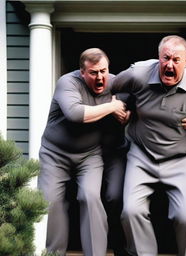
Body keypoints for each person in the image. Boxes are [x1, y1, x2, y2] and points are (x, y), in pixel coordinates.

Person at [111, 35, 186, 256]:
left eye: (176, 60)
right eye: (166, 58)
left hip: (181, 159)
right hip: (141, 154)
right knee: (131, 212)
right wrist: (120, 105)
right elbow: (111, 86)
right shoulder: (138, 73)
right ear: (158, 58)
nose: (169, 64)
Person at [38, 48, 128, 256]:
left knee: (90, 197)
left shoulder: (116, 82)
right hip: (55, 154)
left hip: (90, 155)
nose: (100, 77)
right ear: (82, 73)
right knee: (51, 202)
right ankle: (54, 253)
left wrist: (127, 112)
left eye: (103, 71)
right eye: (94, 73)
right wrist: (113, 106)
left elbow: (139, 98)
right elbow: (76, 114)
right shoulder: (67, 83)